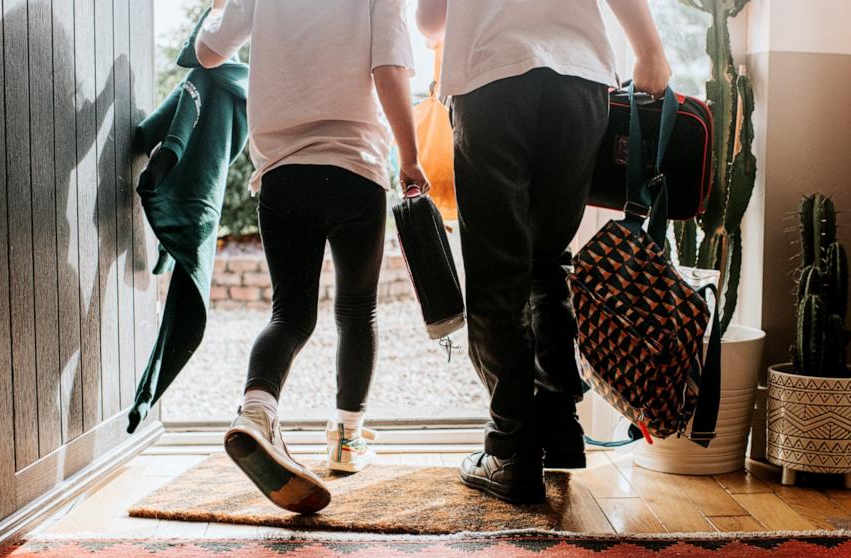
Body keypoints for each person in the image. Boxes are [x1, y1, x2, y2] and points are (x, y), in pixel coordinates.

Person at [416, 0, 671, 504]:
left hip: (492, 78)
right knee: (548, 258)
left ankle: (511, 449)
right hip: (578, 81)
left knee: (497, 273)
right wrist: (649, 50)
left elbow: (429, 20)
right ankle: (559, 425)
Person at [197, 0, 427, 514]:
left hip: (284, 173)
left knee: (290, 315)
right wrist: (409, 158)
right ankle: (347, 440)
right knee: (357, 311)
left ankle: (256, 413)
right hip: (355, 170)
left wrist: (219, 10)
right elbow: (388, 68)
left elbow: (208, 53)